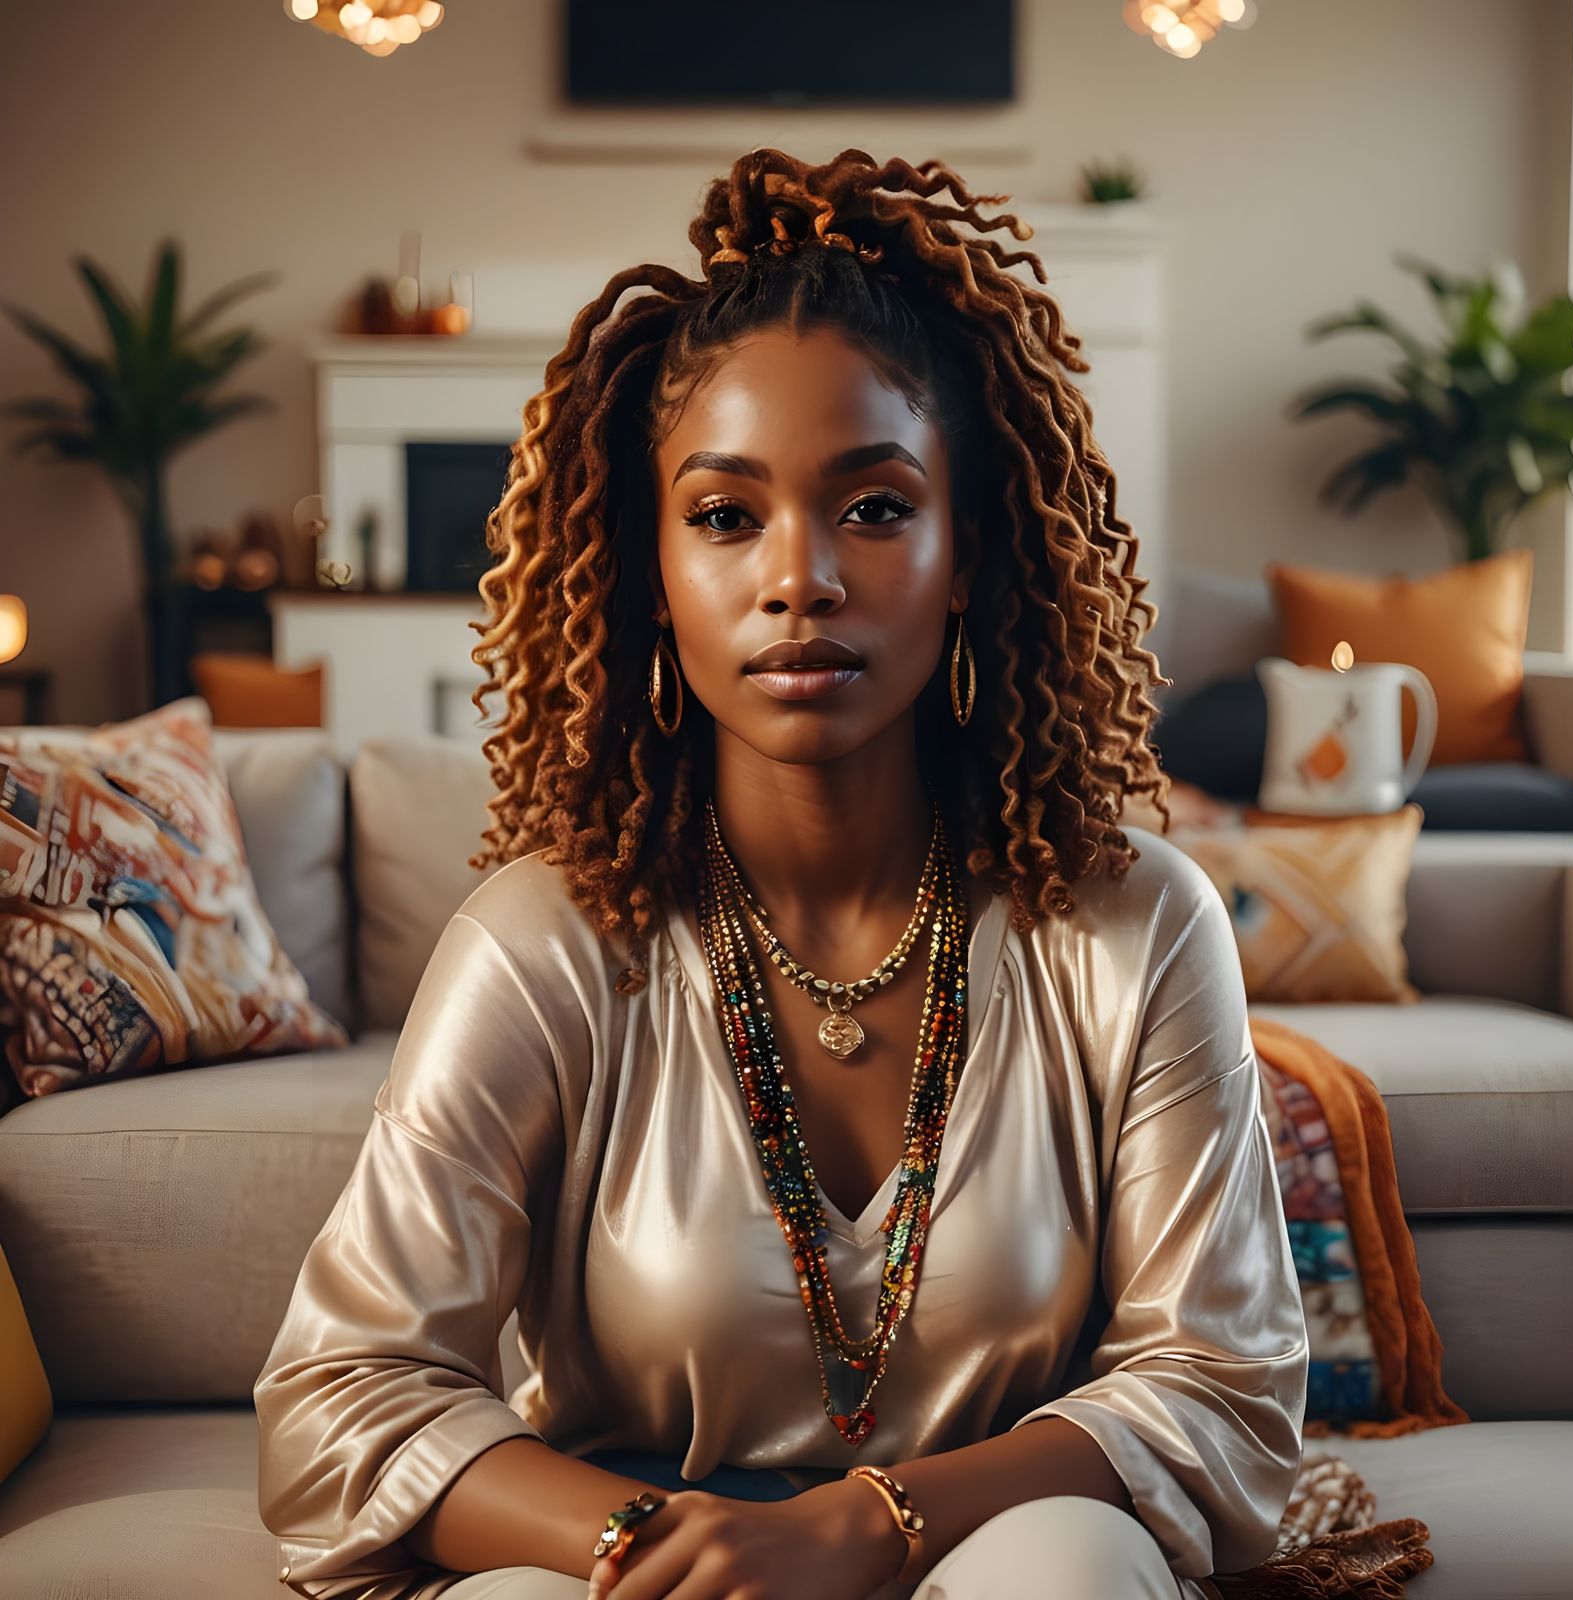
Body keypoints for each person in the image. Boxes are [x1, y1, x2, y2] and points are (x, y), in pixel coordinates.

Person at [253, 147, 1308, 1600]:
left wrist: (866, 1527)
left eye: (874, 506)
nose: (797, 574)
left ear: (968, 551)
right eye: (726, 514)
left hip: (998, 1548)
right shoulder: (543, 941)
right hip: (651, 1566)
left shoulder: (1130, 926)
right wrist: (668, 1551)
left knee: (1068, 1570)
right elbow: (345, 1397)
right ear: (651, 568)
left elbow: (1221, 1384)